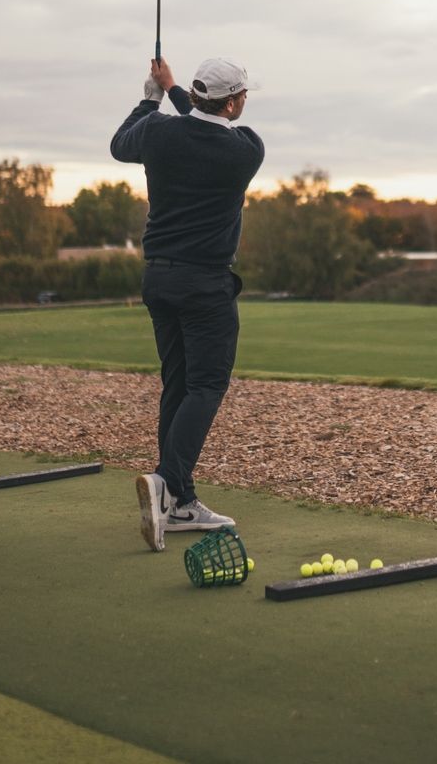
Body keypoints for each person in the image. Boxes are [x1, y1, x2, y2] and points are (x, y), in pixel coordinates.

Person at [112, 54, 264, 551]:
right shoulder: (246, 149)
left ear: (198, 96)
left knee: (177, 386)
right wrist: (173, 92)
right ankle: (166, 482)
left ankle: (180, 502)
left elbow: (120, 145)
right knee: (207, 385)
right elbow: (202, 125)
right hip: (205, 286)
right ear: (233, 103)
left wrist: (152, 96)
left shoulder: (158, 132)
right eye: (243, 95)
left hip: (158, 279)